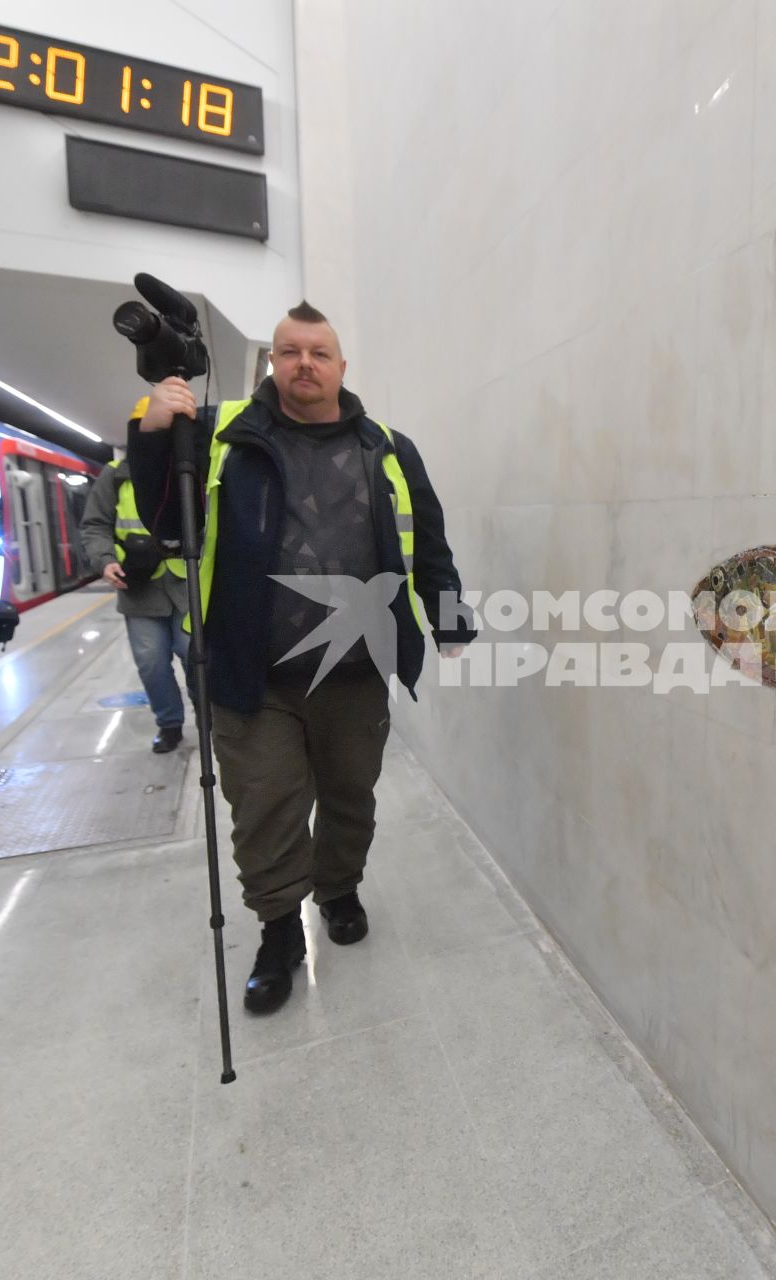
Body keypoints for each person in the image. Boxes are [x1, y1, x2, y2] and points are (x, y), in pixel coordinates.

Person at [127, 302, 474, 1015]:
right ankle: (279, 927)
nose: (304, 364)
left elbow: (427, 540)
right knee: (265, 806)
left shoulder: (387, 447)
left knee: (351, 795)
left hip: (356, 666)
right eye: (289, 352)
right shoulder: (226, 437)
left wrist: (447, 617)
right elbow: (167, 524)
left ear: (342, 367)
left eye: (319, 352)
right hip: (253, 671)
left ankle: (339, 888)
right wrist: (155, 433)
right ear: (271, 363)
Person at [78, 454, 191, 752]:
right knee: (151, 662)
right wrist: (105, 561)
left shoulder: (190, 465)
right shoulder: (115, 475)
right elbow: (95, 525)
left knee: (195, 655)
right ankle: (169, 724)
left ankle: (211, 720)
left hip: (188, 583)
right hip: (138, 583)